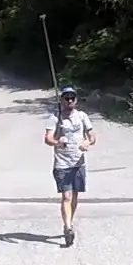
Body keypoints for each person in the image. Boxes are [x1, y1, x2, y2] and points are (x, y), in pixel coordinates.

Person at [42, 85, 96, 247]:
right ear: (62, 100)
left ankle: (69, 222)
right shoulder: (55, 117)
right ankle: (67, 228)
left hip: (78, 162)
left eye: (72, 98)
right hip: (62, 163)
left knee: (75, 196)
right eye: (66, 98)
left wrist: (88, 142)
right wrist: (58, 142)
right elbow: (47, 139)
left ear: (76, 100)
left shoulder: (82, 116)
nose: (69, 100)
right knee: (66, 196)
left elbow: (92, 135)